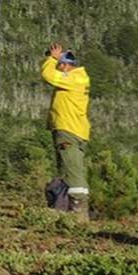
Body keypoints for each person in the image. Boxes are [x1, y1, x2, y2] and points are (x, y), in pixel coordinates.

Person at [41, 43, 91, 221]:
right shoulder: (78, 79)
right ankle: (65, 206)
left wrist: (51, 58)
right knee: (70, 169)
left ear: (65, 65)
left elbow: (48, 75)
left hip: (68, 129)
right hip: (74, 129)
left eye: (59, 64)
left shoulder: (73, 78)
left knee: (73, 170)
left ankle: (78, 211)